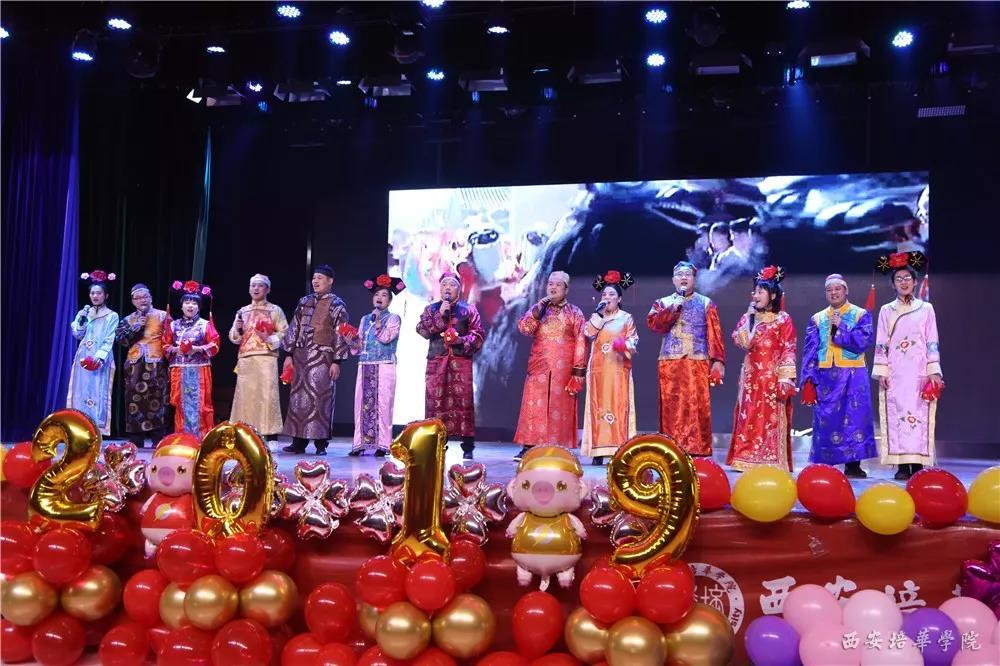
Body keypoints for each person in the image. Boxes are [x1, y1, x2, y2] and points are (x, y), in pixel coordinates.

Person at [871, 251, 942, 480]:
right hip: (896, 372)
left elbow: (932, 341)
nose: (903, 282)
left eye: (907, 278)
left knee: (918, 415)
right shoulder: (886, 310)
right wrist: (882, 370)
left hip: (919, 372)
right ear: (893, 284)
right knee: (897, 415)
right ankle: (902, 465)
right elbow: (881, 342)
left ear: (915, 281)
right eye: (899, 279)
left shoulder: (926, 309)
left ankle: (918, 463)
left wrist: (934, 371)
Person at [800, 274, 877, 478]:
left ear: (846, 290)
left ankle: (853, 465)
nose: (833, 293)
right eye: (829, 290)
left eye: (837, 289)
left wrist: (840, 327)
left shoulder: (861, 314)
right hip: (826, 376)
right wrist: (808, 379)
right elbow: (810, 350)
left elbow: (862, 342)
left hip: (853, 375)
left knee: (854, 418)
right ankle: (826, 463)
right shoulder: (817, 318)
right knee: (827, 418)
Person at [647, 261, 725, 456]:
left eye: (688, 274)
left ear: (694, 279)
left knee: (697, 406)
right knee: (672, 406)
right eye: (680, 274)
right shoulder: (662, 303)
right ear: (673, 280)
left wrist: (717, 361)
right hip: (670, 361)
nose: (684, 278)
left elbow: (714, 334)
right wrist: (673, 308)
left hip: (698, 361)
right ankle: (671, 447)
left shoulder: (706, 303)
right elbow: (655, 326)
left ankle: (698, 448)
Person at [726, 266, 797, 471]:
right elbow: (743, 343)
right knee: (748, 416)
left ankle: (771, 458)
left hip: (773, 377)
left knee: (770, 418)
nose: (755, 296)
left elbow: (789, 347)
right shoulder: (748, 317)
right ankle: (745, 457)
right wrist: (750, 322)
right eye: (755, 292)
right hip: (751, 377)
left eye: (760, 292)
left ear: (772, 295)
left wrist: (786, 378)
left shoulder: (783, 319)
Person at [512, 271, 588, 459]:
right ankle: (529, 446)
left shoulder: (575, 312)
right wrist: (537, 312)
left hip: (563, 369)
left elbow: (581, 342)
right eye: (550, 284)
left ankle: (558, 446)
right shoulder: (539, 309)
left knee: (559, 406)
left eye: (558, 285)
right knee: (534, 405)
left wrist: (577, 373)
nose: (553, 288)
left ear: (566, 289)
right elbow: (524, 329)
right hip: (538, 366)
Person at [281, 264, 351, 455]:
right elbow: (294, 328)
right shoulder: (304, 301)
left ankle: (321, 444)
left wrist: (337, 361)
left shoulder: (337, 304)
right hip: (301, 357)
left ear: (330, 281)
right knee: (298, 401)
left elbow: (340, 332)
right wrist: (289, 355)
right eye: (314, 278)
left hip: (323, 358)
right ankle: (298, 442)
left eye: (320, 278)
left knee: (321, 401)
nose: (315, 281)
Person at [416, 271, 485, 460]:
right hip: (437, 361)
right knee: (435, 402)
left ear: (459, 289)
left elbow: (478, 334)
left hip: (460, 362)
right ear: (440, 288)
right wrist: (440, 315)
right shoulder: (431, 309)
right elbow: (422, 330)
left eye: (452, 285)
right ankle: (437, 443)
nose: (448, 288)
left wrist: (460, 340)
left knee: (463, 402)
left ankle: (468, 446)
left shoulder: (469, 309)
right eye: (444, 284)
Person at [581, 270, 639, 465]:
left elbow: (633, 341)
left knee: (618, 407)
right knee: (598, 407)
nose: (607, 297)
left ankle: (619, 449)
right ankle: (598, 451)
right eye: (604, 294)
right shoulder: (597, 317)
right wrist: (598, 315)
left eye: (611, 294)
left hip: (618, 370)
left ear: (619, 299)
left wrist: (624, 345)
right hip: (598, 370)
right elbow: (588, 333)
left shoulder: (626, 318)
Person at [346, 274, 405, 456]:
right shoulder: (365, 319)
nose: (379, 298)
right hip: (365, 365)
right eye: (377, 295)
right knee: (362, 404)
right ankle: (360, 443)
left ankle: (383, 444)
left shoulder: (394, 319)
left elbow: (387, 338)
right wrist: (351, 341)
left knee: (384, 405)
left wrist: (379, 324)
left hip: (385, 365)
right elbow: (359, 346)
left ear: (389, 300)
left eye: (384, 295)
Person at [228, 274, 288, 439]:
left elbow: (284, 332)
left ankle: (270, 434)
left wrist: (268, 338)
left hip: (266, 357)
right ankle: (244, 432)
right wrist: (237, 329)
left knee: (267, 396)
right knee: (245, 397)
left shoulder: (275, 310)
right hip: (246, 358)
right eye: (253, 285)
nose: (256, 288)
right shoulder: (243, 311)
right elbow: (234, 337)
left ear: (267, 289)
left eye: (260, 286)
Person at [164, 280, 220, 438]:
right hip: (179, 370)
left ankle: (202, 437)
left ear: (199, 307)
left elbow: (215, 345)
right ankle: (182, 437)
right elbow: (165, 345)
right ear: (181, 306)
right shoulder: (173, 325)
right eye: (187, 303)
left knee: (201, 404)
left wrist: (197, 349)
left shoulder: (205, 325)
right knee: (180, 404)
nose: (190, 306)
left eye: (194, 303)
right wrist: (175, 349)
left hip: (199, 370)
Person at [115, 283, 168, 447]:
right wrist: (137, 326)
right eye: (137, 298)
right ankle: (136, 439)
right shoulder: (127, 320)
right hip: (134, 365)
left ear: (151, 298)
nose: (142, 300)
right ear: (133, 301)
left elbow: (170, 338)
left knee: (157, 399)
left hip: (156, 363)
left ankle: (158, 438)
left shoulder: (163, 316)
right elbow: (121, 340)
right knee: (134, 400)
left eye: (145, 296)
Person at [68, 269, 120, 435]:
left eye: (99, 293)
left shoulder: (112, 315)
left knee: (99, 391)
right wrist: (82, 320)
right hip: (83, 356)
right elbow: (77, 334)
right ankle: (80, 426)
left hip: (100, 358)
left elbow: (109, 338)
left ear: (106, 295)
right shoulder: (84, 313)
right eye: (92, 293)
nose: (95, 296)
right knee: (81, 390)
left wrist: (99, 356)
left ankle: (97, 429)